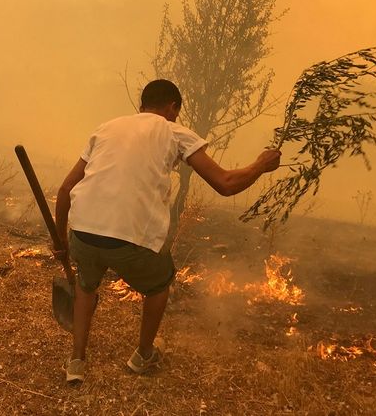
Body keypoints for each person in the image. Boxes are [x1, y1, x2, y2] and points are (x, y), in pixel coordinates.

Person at [54, 79, 281, 383]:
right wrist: (260, 165)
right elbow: (226, 184)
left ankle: (76, 362)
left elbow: (66, 189)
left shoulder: (106, 128)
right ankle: (143, 355)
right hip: (130, 240)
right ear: (172, 107)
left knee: (85, 285)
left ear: (142, 105)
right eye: (176, 111)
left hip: (83, 232)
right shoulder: (174, 131)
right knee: (160, 284)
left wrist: (61, 239)